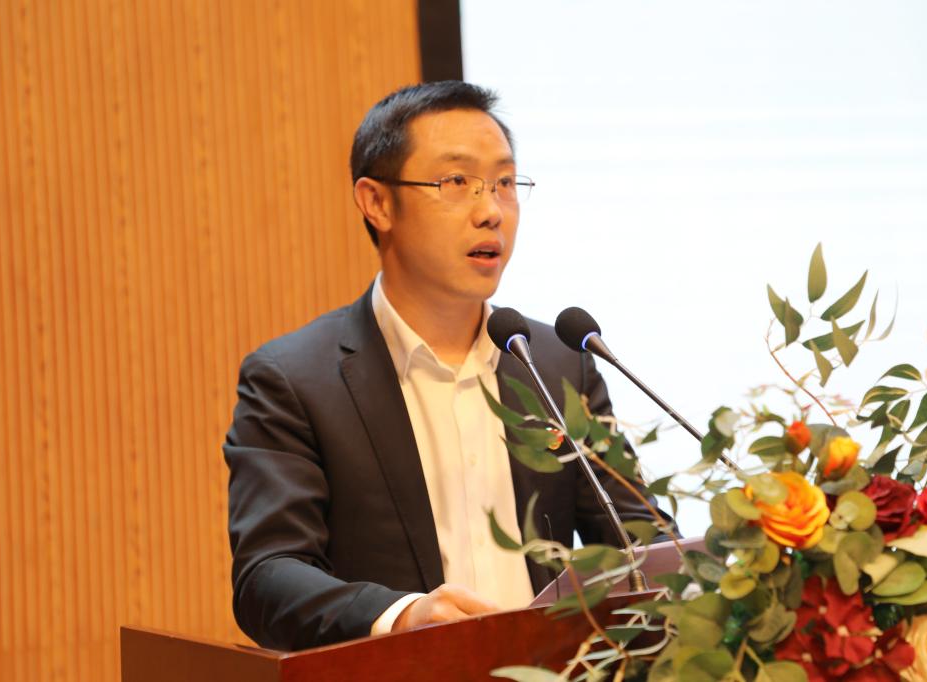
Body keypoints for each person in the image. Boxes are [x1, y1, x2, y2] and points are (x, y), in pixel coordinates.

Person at [224, 81, 671, 652]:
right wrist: (402, 615)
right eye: (456, 182)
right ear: (377, 203)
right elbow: (267, 579)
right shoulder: (295, 380)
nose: (491, 212)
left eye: (505, 184)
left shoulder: (560, 362)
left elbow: (642, 542)